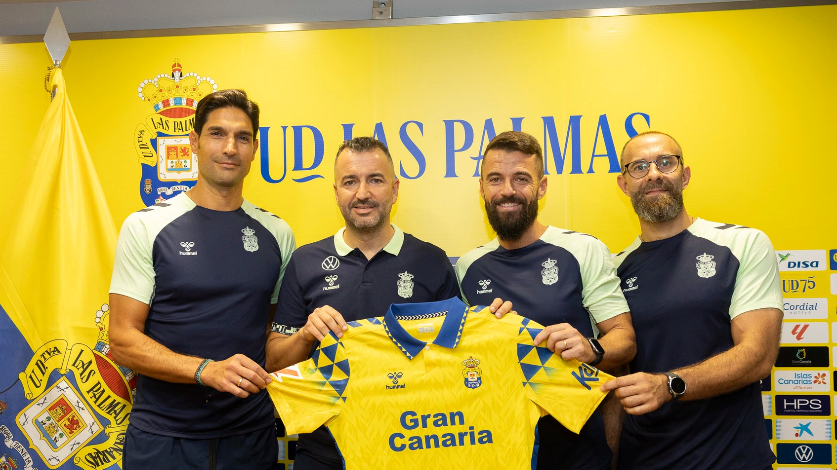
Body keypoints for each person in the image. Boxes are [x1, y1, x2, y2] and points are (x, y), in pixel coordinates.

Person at [265, 136, 510, 470]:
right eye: (350, 181)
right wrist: (306, 335)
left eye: (375, 180)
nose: (362, 193)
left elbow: (459, 360)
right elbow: (274, 362)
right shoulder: (305, 261)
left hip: (413, 448)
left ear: (394, 190)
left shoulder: (431, 260)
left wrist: (494, 331)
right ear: (336, 192)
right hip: (325, 453)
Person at [109, 89, 295, 470]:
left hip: (250, 437)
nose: (230, 147)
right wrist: (204, 369)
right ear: (193, 142)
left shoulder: (278, 233)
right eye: (217, 134)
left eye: (242, 137)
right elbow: (122, 341)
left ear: (254, 148)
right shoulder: (146, 226)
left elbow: (274, 336)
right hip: (164, 439)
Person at [601, 131, 782, 470]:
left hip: (733, 461)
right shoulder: (612, 270)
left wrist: (669, 385)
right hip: (643, 460)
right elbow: (616, 379)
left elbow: (758, 356)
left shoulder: (743, 245)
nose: (654, 173)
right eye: (639, 167)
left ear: (684, 175)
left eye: (665, 162)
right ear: (623, 184)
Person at [455, 131, 636, 470]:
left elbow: (625, 341)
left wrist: (591, 348)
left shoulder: (583, 250)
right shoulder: (467, 266)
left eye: (521, 178)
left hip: (578, 452)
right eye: (495, 179)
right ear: (481, 188)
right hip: (498, 450)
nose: (507, 190)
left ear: (542, 186)